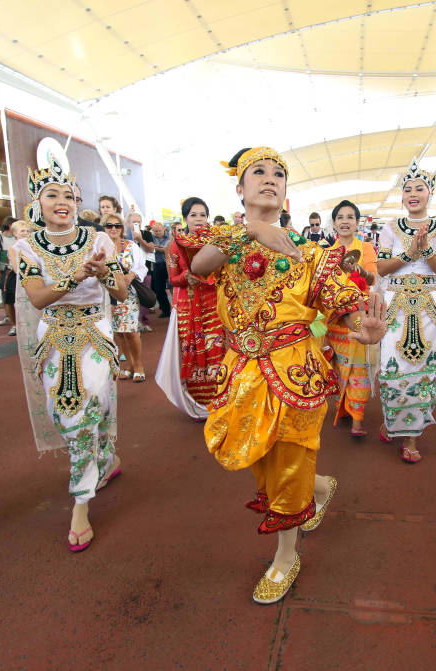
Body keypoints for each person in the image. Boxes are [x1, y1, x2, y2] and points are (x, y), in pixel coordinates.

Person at [189, 146, 383, 604]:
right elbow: (199, 267)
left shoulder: (310, 253)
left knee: (290, 466)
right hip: (241, 373)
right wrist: (253, 229)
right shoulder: (226, 240)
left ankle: (285, 556)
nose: (270, 179)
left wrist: (363, 327)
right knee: (257, 458)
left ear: (286, 192)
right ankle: (320, 486)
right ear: (239, 188)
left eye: (279, 174)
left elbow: (343, 302)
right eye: (259, 172)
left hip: (296, 374)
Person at [14, 157, 129, 552]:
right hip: (54, 334)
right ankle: (105, 457)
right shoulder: (25, 246)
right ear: (37, 202)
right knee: (62, 411)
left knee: (87, 403)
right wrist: (73, 276)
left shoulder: (98, 240)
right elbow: (37, 297)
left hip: (95, 330)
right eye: (52, 194)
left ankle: (81, 500)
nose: (62, 201)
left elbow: (121, 293)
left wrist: (102, 274)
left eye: (69, 195)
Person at [375, 158, 436, 463]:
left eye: (419, 188)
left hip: (428, 305)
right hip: (395, 303)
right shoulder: (390, 228)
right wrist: (409, 253)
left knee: (426, 368)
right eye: (408, 189)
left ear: (429, 193)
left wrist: (427, 251)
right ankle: (393, 421)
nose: (413, 193)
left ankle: (411, 436)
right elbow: (381, 266)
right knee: (392, 366)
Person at [157, 197, 225, 417]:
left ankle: (219, 398)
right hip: (187, 304)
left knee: (216, 348)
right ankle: (196, 403)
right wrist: (187, 276)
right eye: (193, 215)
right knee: (193, 350)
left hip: (213, 302)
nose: (198, 219)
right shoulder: (174, 244)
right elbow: (173, 279)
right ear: (185, 217)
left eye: (203, 215)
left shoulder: (218, 241)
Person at [327, 199, 377, 437]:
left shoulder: (366, 248)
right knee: (340, 364)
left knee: (359, 366)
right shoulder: (326, 252)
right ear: (334, 223)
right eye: (340, 217)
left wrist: (360, 271)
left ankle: (357, 418)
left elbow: (373, 279)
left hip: (360, 312)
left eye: (350, 217)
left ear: (357, 223)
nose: (345, 221)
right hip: (336, 318)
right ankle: (344, 408)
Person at [103, 211, 147, 381]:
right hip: (107, 297)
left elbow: (142, 267)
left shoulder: (130, 246)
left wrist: (132, 275)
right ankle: (128, 365)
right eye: (109, 225)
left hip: (128, 295)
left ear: (122, 228)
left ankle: (138, 365)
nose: (113, 229)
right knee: (118, 333)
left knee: (130, 331)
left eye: (117, 225)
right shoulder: (99, 247)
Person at [0, 216, 19, 334]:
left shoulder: (19, 238)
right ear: (10, 225)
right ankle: (14, 324)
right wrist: (0, 276)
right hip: (6, 273)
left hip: (19, 272)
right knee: (8, 299)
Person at [147, 219, 172, 318]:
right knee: (159, 289)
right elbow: (149, 248)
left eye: (159, 231)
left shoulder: (170, 237)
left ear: (163, 229)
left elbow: (167, 249)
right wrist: (159, 248)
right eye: (155, 231)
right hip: (157, 265)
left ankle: (177, 309)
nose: (157, 233)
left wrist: (157, 248)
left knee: (172, 287)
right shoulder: (151, 238)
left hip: (169, 265)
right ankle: (165, 310)